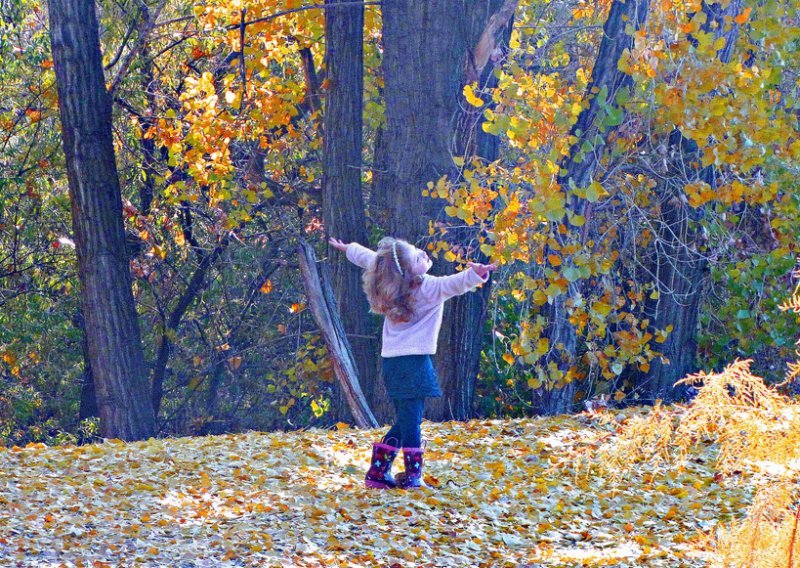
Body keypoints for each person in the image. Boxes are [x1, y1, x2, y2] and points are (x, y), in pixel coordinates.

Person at [329, 236, 496, 489]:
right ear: (408, 271)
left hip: (393, 364)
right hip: (414, 362)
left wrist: (348, 248)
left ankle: (378, 472)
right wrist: (476, 275)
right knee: (411, 421)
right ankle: (412, 478)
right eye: (418, 257)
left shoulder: (391, 282)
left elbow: (370, 259)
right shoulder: (428, 288)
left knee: (407, 419)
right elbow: (456, 284)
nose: (424, 254)